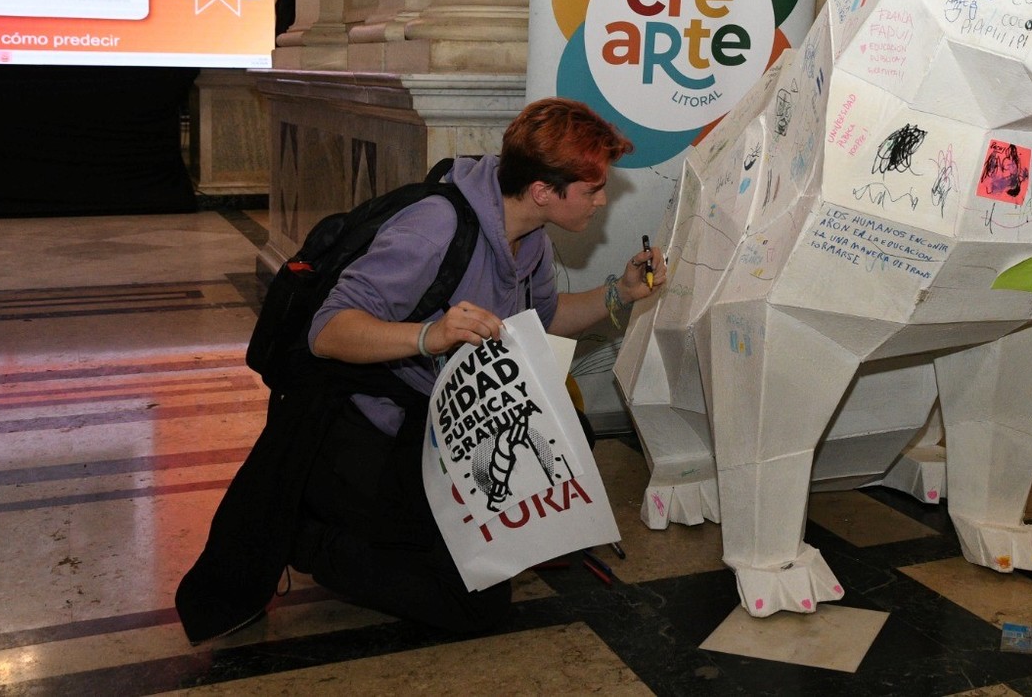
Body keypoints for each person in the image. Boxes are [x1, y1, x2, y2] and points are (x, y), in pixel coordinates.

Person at [177, 97, 666, 642]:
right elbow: (328, 330)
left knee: (571, 437)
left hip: (437, 424)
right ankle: (306, 536)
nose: (600, 201)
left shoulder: (529, 239)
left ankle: (395, 527)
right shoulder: (436, 227)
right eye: (593, 189)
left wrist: (620, 293)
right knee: (474, 608)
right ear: (543, 191)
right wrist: (427, 336)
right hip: (364, 424)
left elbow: (544, 319)